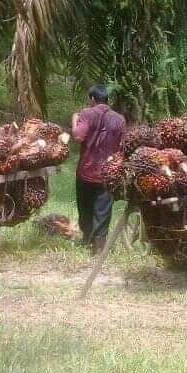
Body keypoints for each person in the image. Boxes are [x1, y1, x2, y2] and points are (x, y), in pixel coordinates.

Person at [72, 85, 126, 253]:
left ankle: (86, 238)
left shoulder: (87, 113)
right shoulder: (120, 119)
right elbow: (123, 146)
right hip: (109, 173)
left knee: (85, 206)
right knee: (103, 210)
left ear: (93, 99)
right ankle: (99, 247)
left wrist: (74, 119)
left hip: (87, 171)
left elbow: (78, 136)